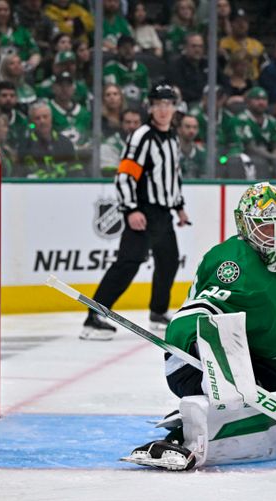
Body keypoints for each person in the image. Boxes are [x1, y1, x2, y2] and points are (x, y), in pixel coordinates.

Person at [125, 182, 276, 470]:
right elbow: (197, 315)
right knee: (237, 405)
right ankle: (179, 439)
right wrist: (221, 365)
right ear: (244, 226)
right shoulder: (234, 264)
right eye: (264, 227)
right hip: (194, 358)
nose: (274, 236)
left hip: (256, 359)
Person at [81, 83, 190, 340]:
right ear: (150, 107)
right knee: (127, 264)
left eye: (168, 104)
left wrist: (179, 207)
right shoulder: (142, 136)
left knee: (169, 260)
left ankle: (158, 312)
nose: (163, 109)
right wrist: (130, 209)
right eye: (158, 104)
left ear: (174, 108)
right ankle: (94, 317)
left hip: (163, 214)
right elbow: (124, 177)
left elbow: (173, 176)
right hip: (142, 212)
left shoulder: (172, 137)